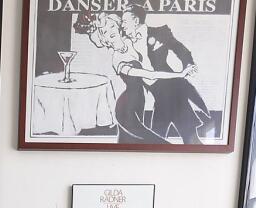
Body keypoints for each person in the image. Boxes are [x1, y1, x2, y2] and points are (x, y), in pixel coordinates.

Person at [73, 12, 195, 144]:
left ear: (118, 27)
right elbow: (150, 74)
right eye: (104, 31)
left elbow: (144, 35)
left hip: (139, 103)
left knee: (127, 142)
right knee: (160, 144)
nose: (110, 32)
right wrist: (180, 74)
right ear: (104, 39)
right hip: (126, 109)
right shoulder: (118, 60)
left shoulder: (129, 40)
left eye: (112, 26)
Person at [120, 3, 211, 144]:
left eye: (125, 21)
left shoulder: (160, 32)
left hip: (172, 88)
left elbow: (180, 49)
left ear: (136, 20)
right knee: (162, 138)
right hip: (159, 95)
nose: (122, 25)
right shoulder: (124, 42)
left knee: (178, 137)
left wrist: (188, 64)